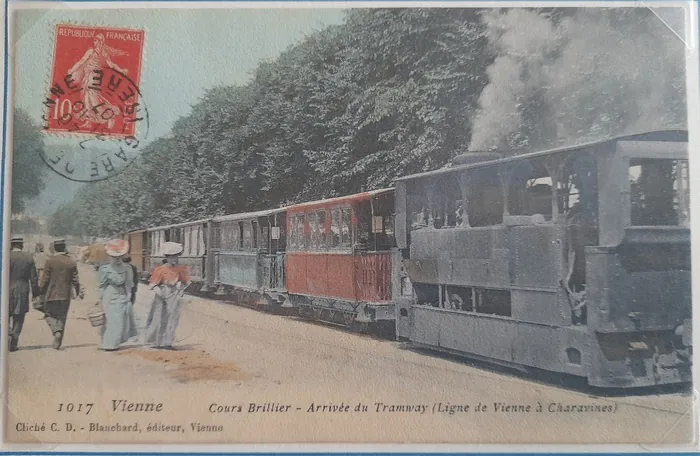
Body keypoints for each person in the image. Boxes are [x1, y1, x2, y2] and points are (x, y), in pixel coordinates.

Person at [67, 33, 129, 130]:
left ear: (101, 41)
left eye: (96, 41)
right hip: (87, 76)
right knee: (85, 99)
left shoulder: (102, 53)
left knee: (93, 100)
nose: (94, 42)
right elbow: (81, 61)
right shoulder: (92, 51)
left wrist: (121, 70)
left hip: (94, 76)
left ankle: (110, 116)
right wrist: (72, 70)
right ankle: (89, 121)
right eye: (94, 40)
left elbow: (111, 65)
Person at [144, 242, 190, 349]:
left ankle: (168, 343)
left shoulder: (181, 269)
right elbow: (153, 285)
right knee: (159, 318)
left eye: (176, 256)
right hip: (162, 294)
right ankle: (157, 342)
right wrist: (160, 294)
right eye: (171, 257)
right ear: (167, 257)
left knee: (173, 318)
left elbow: (185, 282)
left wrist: (181, 290)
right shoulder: (160, 270)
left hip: (174, 294)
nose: (174, 259)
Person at [40, 239, 83, 350]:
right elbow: (75, 280)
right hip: (65, 295)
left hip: (51, 294)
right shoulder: (71, 261)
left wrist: (40, 292)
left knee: (48, 314)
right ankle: (58, 340)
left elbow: (45, 279)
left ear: (54, 248)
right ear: (64, 248)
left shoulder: (50, 261)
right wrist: (78, 292)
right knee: (62, 316)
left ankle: (55, 330)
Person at [98, 240, 137, 351]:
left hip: (121, 295)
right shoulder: (105, 269)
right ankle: (108, 344)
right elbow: (102, 285)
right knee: (111, 320)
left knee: (119, 320)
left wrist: (128, 298)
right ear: (110, 257)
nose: (118, 259)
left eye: (120, 257)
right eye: (115, 257)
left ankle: (114, 343)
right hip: (109, 295)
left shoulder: (127, 268)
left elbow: (129, 284)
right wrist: (100, 299)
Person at [8, 237, 39, 352]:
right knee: (19, 317)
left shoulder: (6, 256)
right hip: (22, 290)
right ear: (21, 245)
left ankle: (8, 333)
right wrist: (36, 293)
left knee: (4, 315)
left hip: (7, 289)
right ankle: (14, 342)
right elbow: (34, 278)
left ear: (11, 245)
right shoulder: (28, 257)